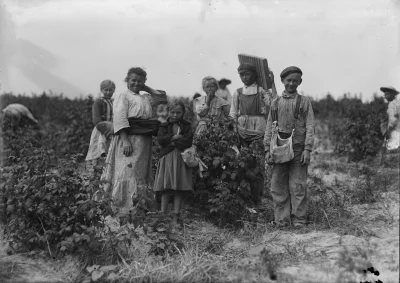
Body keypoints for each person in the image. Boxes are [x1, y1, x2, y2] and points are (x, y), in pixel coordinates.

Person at [101, 67, 167, 221]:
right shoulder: (123, 96)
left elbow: (162, 98)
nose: (136, 83)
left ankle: (138, 207)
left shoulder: (145, 98)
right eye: (133, 80)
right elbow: (120, 118)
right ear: (127, 81)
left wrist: (144, 87)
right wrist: (125, 140)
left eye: (140, 80)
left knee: (139, 173)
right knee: (126, 172)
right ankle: (122, 208)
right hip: (129, 139)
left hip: (143, 141)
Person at [264, 66, 315, 228]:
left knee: (298, 185)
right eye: (288, 81)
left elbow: (310, 126)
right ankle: (282, 221)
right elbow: (268, 128)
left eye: (295, 81)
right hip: (279, 149)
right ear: (282, 81)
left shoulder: (304, 101)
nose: (291, 84)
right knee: (277, 186)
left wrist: (307, 149)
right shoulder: (276, 102)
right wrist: (267, 149)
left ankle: (299, 220)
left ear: (300, 82)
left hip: (298, 149)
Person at [229, 62, 277, 206]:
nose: (244, 77)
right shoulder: (237, 92)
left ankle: (258, 199)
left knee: (259, 165)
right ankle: (247, 197)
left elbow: (274, 103)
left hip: (258, 131)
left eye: (247, 74)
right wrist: (233, 131)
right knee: (245, 164)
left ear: (255, 75)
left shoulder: (262, 91)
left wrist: (272, 82)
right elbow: (233, 113)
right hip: (242, 131)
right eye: (241, 75)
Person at [153, 99, 194, 226]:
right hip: (167, 158)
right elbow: (161, 140)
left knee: (178, 188)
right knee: (166, 187)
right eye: (172, 112)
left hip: (181, 158)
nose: (175, 115)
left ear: (183, 113)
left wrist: (171, 142)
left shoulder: (186, 126)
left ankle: (176, 216)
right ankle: (162, 215)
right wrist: (174, 138)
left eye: (178, 112)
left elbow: (187, 141)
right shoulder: (164, 126)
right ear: (168, 112)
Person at [85, 80, 115, 168]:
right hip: (101, 129)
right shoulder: (98, 102)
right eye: (106, 90)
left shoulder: (114, 102)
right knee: (98, 151)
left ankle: (107, 175)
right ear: (101, 90)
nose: (108, 92)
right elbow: (96, 120)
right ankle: (94, 171)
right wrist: (106, 132)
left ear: (114, 90)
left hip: (112, 129)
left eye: (111, 90)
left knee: (110, 151)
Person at [380, 86, 400, 151]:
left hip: (395, 130)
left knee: (390, 148)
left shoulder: (393, 104)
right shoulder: (395, 103)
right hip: (396, 129)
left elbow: (393, 120)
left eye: (387, 94)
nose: (385, 96)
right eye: (385, 94)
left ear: (393, 94)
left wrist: (388, 130)